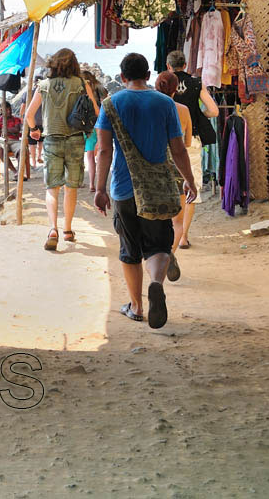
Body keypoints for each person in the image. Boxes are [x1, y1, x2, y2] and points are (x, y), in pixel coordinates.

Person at [94, 53, 197, 329]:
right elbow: (178, 149)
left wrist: (99, 188)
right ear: (149, 75)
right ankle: (155, 284)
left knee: (129, 249)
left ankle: (137, 306)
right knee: (159, 245)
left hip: (124, 190)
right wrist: (189, 180)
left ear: (123, 76)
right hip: (157, 189)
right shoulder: (165, 103)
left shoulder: (111, 104)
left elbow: (104, 150)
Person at [25, 48, 98, 250]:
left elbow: (29, 115)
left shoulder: (43, 85)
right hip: (75, 139)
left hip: (51, 140)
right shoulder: (82, 84)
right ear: (74, 64)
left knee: (52, 188)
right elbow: (96, 111)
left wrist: (34, 131)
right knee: (71, 187)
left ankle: (52, 229)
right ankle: (67, 229)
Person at [155, 71, 193, 280]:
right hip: (177, 166)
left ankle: (159, 255)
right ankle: (169, 254)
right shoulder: (184, 110)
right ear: (175, 88)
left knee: (157, 216)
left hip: (155, 166)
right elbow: (186, 143)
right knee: (177, 220)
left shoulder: (150, 108)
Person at [165, 49, 219, 194]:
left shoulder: (164, 84)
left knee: (172, 187)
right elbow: (214, 111)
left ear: (168, 66)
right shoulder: (196, 83)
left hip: (169, 140)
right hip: (192, 137)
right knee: (192, 186)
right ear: (185, 65)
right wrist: (199, 115)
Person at [80, 70, 108, 192]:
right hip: (95, 123)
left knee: (79, 156)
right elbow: (106, 104)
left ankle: (78, 181)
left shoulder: (78, 87)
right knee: (91, 157)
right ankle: (92, 184)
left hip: (79, 123)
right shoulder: (99, 87)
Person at [0, 100, 23, 179]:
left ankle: (20, 172)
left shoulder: (16, 119)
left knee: (21, 149)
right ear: (1, 111)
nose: (9, 111)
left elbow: (17, 129)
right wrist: (10, 130)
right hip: (2, 140)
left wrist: (4, 129)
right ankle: (14, 171)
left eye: (10, 109)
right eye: (6, 110)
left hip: (15, 141)